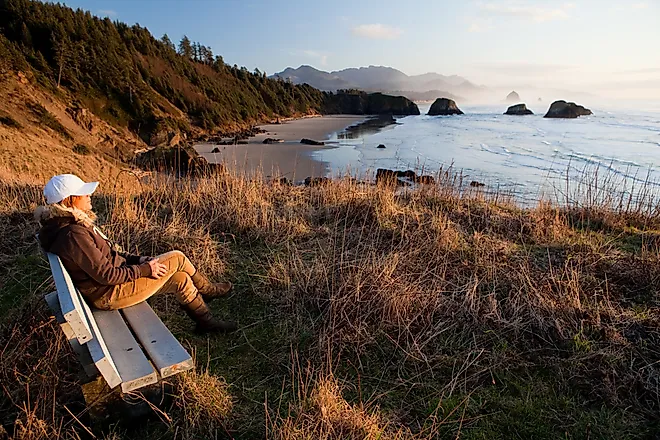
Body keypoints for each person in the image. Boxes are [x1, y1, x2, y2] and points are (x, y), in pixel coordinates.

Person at [35, 174, 237, 334]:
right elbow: (107, 275)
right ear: (70, 200)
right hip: (109, 294)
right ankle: (209, 290)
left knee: (180, 277)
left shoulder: (70, 227)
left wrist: (138, 260)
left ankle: (206, 323)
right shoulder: (73, 235)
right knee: (177, 257)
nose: (89, 196)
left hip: (109, 287)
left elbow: (112, 256)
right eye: (84, 194)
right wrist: (144, 269)